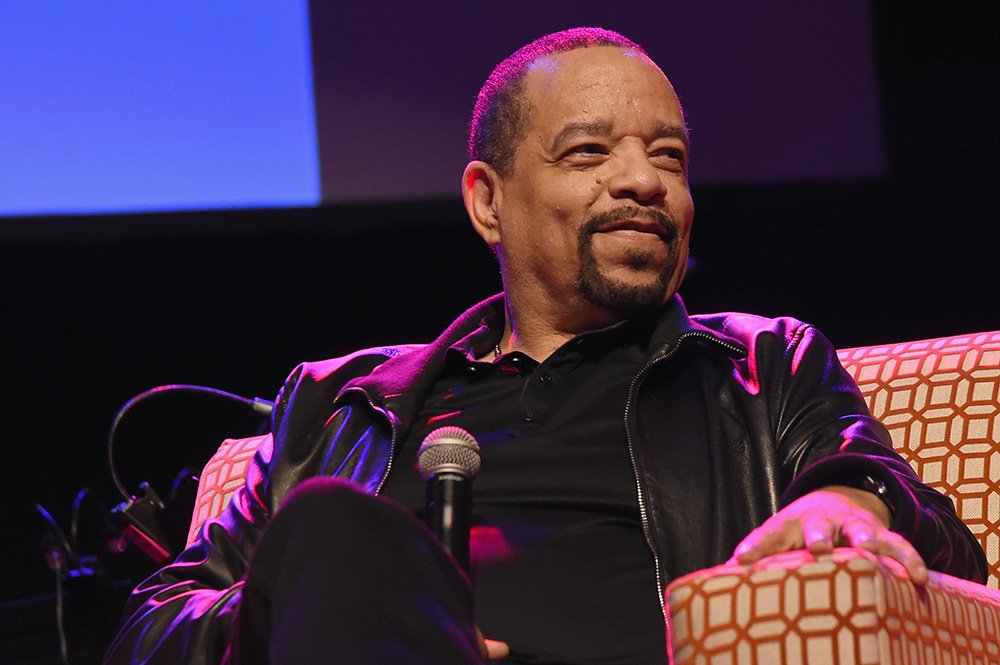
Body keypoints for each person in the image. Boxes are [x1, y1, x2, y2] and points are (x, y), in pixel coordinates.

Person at [104, 27, 987, 665]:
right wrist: (309, 610)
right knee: (333, 527)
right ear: (489, 201)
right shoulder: (345, 401)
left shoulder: (763, 366)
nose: (643, 179)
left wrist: (854, 503)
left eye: (669, 157)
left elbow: (941, 540)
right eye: (590, 151)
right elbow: (152, 625)